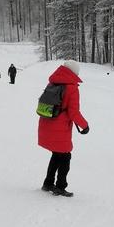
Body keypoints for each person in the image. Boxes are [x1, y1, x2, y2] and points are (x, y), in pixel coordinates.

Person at [38, 59, 89, 197]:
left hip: (46, 123)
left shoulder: (52, 82)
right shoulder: (72, 88)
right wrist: (84, 125)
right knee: (65, 156)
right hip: (60, 128)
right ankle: (60, 186)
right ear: (74, 72)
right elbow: (73, 112)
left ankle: (48, 183)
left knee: (57, 154)